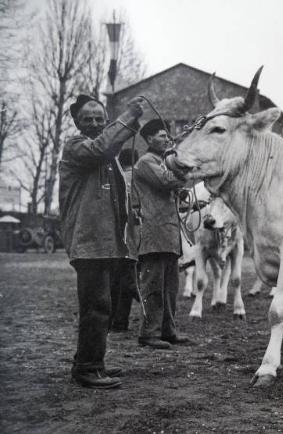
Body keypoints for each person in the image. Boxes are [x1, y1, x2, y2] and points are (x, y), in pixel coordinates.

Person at [59, 94, 144, 388]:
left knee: (103, 307)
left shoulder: (107, 158)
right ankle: (87, 368)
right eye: (87, 119)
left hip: (106, 244)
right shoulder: (75, 147)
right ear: (76, 123)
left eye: (99, 118)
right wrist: (127, 118)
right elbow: (104, 146)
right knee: (96, 307)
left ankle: (95, 362)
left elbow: (110, 146)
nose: (94, 123)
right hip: (88, 243)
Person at [135, 118, 191, 349]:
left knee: (170, 287)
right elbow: (166, 181)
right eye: (161, 135)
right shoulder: (147, 162)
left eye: (167, 135)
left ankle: (168, 331)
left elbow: (170, 190)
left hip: (167, 234)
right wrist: (184, 167)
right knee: (154, 286)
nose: (167, 139)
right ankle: (149, 333)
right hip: (153, 234)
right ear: (148, 139)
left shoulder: (160, 161)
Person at [109, 149, 141, 332]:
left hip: (116, 238)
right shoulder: (137, 178)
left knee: (114, 281)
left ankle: (112, 320)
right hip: (133, 238)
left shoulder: (117, 178)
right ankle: (121, 321)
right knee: (129, 282)